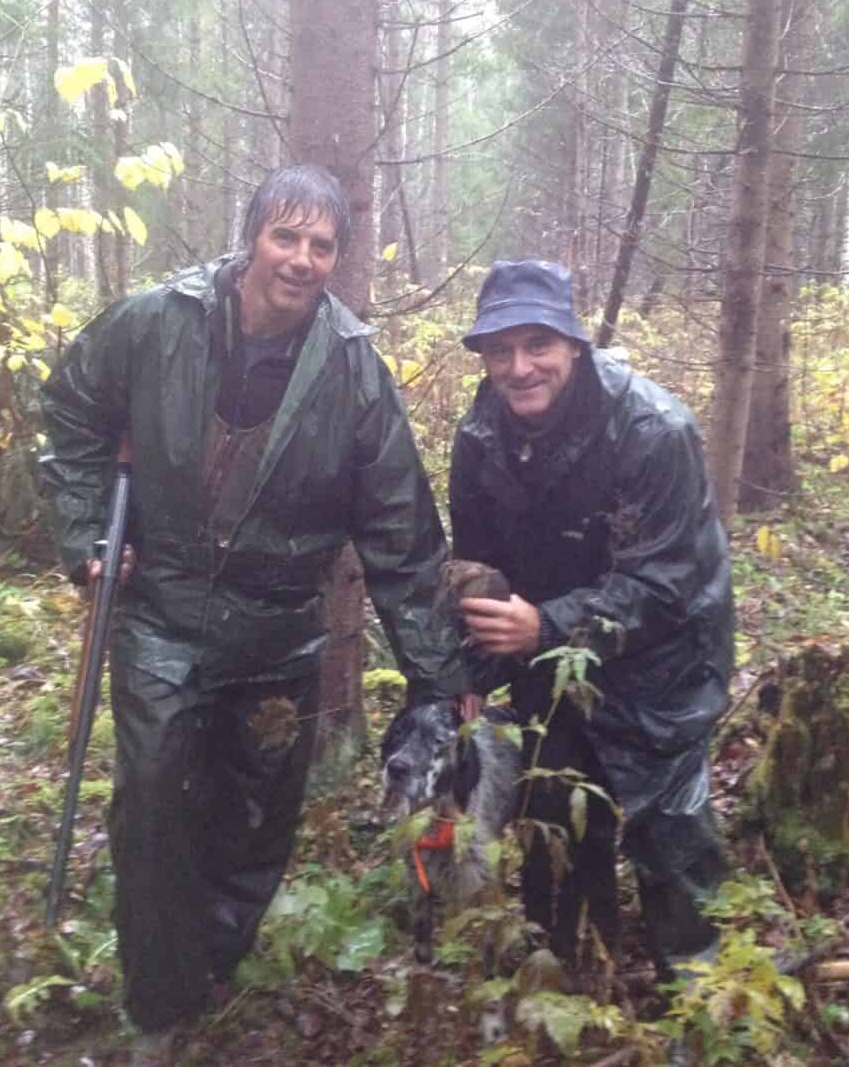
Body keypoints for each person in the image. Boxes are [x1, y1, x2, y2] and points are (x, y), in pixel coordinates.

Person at [39, 164, 469, 1064]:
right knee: (153, 802)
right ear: (250, 238)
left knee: (256, 820)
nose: (303, 260)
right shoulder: (156, 322)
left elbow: (400, 532)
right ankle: (157, 1005)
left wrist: (437, 677)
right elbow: (71, 406)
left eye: (322, 245)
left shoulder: (353, 371)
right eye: (286, 236)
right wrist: (85, 529)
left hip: (280, 633)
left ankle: (215, 963)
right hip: (162, 617)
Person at [448, 259, 734, 983]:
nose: (520, 367)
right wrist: (471, 674)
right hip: (545, 663)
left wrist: (545, 625)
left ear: (574, 343)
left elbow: (664, 582)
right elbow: (476, 568)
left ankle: (697, 1007)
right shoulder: (478, 438)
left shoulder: (652, 430)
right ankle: (576, 993)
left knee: (672, 847)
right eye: (500, 350)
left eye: (537, 344)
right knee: (560, 835)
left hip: (664, 664)